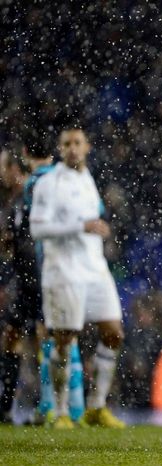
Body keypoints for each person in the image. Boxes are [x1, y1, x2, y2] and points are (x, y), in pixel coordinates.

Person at [29, 127, 125, 429]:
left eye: (77, 143)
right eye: (67, 144)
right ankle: (59, 412)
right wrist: (80, 226)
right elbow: (38, 229)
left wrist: (97, 229)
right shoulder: (48, 183)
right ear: (59, 149)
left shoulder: (88, 179)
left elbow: (90, 222)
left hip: (94, 268)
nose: (72, 148)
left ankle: (96, 407)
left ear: (88, 146)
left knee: (113, 333)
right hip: (63, 271)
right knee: (64, 340)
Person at [0, 137, 85, 425]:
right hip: (28, 276)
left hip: (42, 274)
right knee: (19, 337)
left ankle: (54, 407)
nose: (2, 173)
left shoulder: (36, 186)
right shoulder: (22, 195)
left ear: (19, 162)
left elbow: (36, 233)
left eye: (3, 166)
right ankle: (11, 407)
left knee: (48, 336)